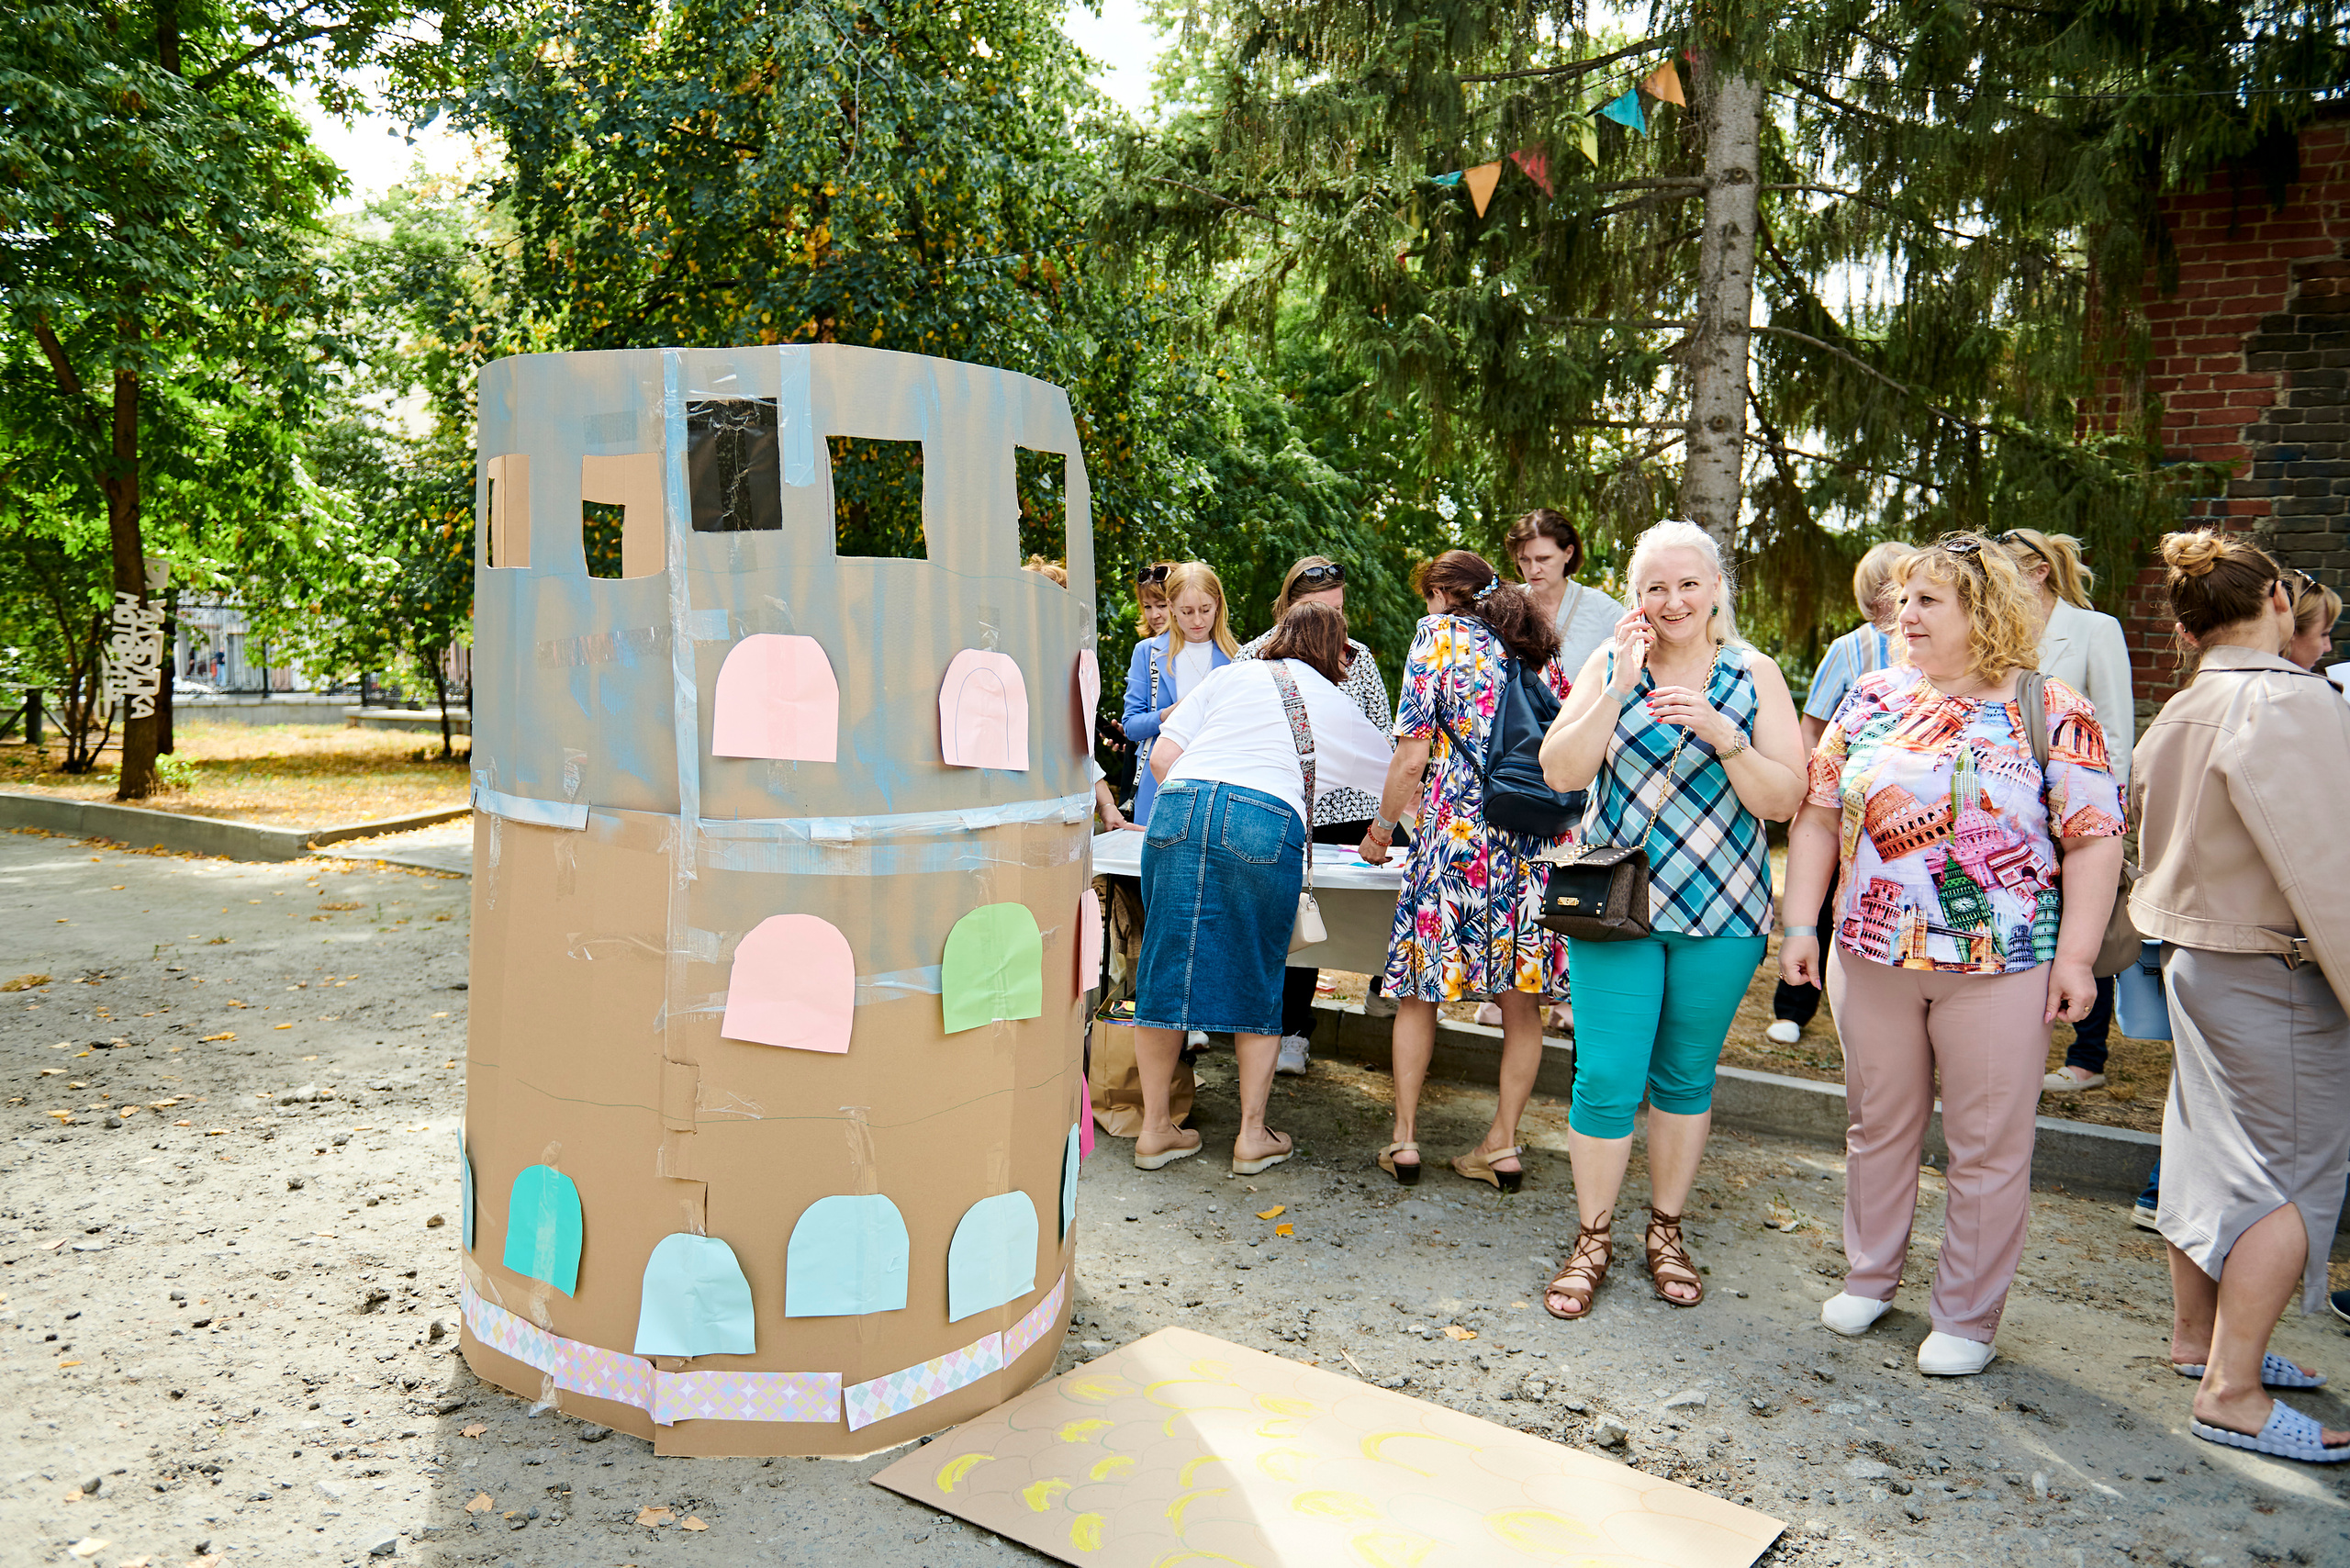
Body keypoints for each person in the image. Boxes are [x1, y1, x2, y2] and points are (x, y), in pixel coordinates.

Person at [1778, 532, 2124, 1376]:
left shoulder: (2052, 707)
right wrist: (1798, 927)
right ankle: (1871, 1276)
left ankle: (1967, 1317)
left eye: (1928, 600)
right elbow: (1819, 817)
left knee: (1987, 1146)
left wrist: (2076, 959)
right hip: (1871, 957)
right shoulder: (1869, 698)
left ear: (1985, 610)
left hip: (2002, 970)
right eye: (1903, 599)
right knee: (1877, 1126)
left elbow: (2094, 840)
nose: (1906, 614)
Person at [1537, 520, 1807, 1317]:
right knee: (1607, 1077)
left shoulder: (1754, 673)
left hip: (1723, 909)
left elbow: (1785, 798)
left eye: (1688, 583)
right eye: (1656, 586)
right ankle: (1592, 1238)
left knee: (1684, 1078)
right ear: (1636, 595)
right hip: (1617, 904)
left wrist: (1725, 737)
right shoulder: (1611, 662)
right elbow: (1561, 769)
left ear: (1717, 587)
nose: (1673, 600)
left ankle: (1666, 1231)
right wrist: (1618, 688)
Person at [2131, 530, 2350, 1462]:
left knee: (2204, 1156)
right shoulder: (2287, 703)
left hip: (2197, 961)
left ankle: (2198, 1343)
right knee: (2291, 1179)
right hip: (2277, 971)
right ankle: (2232, 1390)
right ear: (2271, 604)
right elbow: (2327, 868)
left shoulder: (2182, 707)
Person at [1129, 602, 1394, 1175]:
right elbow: (1397, 772)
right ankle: (1252, 1136)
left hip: (1177, 806)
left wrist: (1199, 809)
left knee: (1162, 967)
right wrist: (1382, 831)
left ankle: (1154, 1132)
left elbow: (1164, 755)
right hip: (1261, 814)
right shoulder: (1331, 700)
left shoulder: (1230, 675)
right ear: (1335, 653)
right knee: (1258, 970)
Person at [1360, 550, 1572, 1197]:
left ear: (1441, 594)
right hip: (1530, 842)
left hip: (1455, 840)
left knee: (1420, 991)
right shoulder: (1533, 648)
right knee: (1521, 1002)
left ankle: (1404, 1137)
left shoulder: (1437, 639)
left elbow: (1412, 754)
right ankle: (1501, 1144)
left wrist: (1380, 829)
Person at [1235, 557, 1395, 1078]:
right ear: (1288, 606)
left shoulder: (1358, 657)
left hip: (1343, 811)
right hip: (1277, 805)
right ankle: (1268, 1026)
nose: (1333, 623)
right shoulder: (1253, 655)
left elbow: (1379, 734)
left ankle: (1297, 1030)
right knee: (1275, 918)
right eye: (1319, 610)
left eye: (1340, 610)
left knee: (1320, 921)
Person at [1998, 530, 2136, 1096]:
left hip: (2078, 808)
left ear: (2035, 573)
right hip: (2013, 814)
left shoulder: (2093, 630)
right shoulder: (1998, 629)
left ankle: (2088, 1054)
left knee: (2089, 927)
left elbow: (2116, 730)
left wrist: (2101, 814)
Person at [1769, 540, 1911, 1047]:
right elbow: (1813, 727)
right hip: (1847, 806)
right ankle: (1793, 1008)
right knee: (1822, 897)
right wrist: (1818, 789)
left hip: (1904, 815)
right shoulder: (1849, 649)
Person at [1121, 561, 1237, 829]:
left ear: (1218, 604)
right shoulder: (1147, 652)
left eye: (1205, 610)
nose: (1197, 620)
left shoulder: (1237, 659)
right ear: (1171, 606)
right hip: (1157, 782)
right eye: (1187, 611)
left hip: (1217, 782)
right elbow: (1131, 726)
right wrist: (1169, 714)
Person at [1024, 555, 1132, 832]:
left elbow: (1078, 751)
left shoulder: (1069, 670)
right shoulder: (1010, 670)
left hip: (1061, 815)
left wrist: (1107, 805)